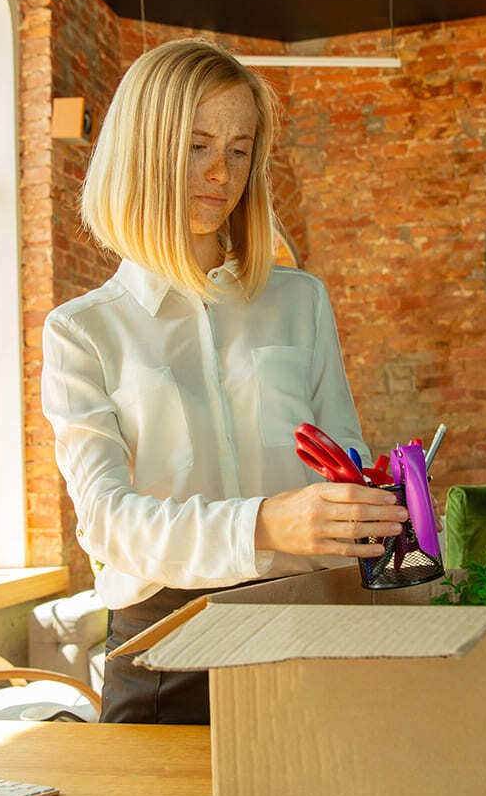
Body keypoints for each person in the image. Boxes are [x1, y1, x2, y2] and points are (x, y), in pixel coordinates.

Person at [40, 38, 407, 724]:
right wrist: (266, 522)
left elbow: (347, 468)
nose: (221, 173)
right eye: (197, 145)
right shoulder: (82, 332)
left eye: (240, 150)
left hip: (307, 633)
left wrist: (379, 508)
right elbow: (109, 524)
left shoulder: (301, 302)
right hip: (166, 651)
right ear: (144, 151)